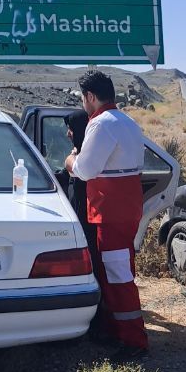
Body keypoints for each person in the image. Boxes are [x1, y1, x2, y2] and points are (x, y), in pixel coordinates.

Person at [65, 71, 148, 356]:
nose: (83, 104)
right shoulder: (129, 122)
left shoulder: (100, 124)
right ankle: (119, 332)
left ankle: (133, 340)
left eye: (82, 98)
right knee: (120, 270)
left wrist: (70, 160)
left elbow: (85, 170)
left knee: (118, 274)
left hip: (110, 212)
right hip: (126, 209)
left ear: (90, 96)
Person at [55, 110, 97, 260]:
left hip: (86, 212)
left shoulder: (87, 154)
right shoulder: (80, 150)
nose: (68, 134)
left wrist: (71, 159)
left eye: (71, 130)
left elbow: (79, 171)